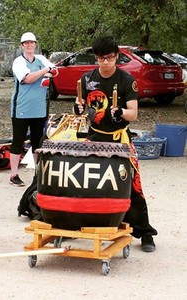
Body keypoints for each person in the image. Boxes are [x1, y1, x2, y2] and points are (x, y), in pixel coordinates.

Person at [74, 36, 157, 252]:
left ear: (117, 57)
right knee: (86, 181)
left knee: (132, 183)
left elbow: (134, 114)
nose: (105, 62)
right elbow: (80, 104)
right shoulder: (87, 79)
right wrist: (78, 109)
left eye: (109, 58)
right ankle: (81, 225)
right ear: (96, 58)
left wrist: (121, 112)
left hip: (119, 138)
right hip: (95, 137)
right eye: (101, 58)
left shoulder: (127, 80)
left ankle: (145, 233)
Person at [9, 32, 58, 187]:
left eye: (32, 42)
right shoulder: (18, 62)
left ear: (35, 44)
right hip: (22, 108)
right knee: (18, 141)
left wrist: (49, 72)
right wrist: (45, 71)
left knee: (38, 142)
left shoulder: (41, 59)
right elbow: (27, 78)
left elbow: (55, 71)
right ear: (22, 45)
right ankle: (14, 174)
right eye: (26, 43)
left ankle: (38, 173)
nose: (29, 45)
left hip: (39, 108)